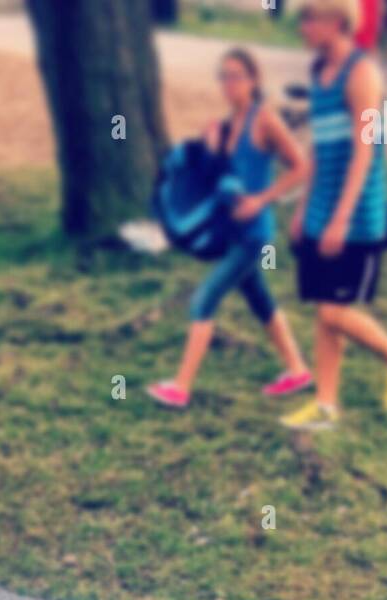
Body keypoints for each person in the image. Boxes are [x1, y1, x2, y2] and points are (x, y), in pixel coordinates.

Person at [281, 0, 387, 432]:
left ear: (337, 20)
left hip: (358, 213)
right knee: (326, 309)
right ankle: (326, 405)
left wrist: (342, 218)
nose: (302, 25)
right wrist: (304, 207)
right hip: (321, 205)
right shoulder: (317, 72)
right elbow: (322, 147)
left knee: (333, 312)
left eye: (310, 16)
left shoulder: (362, 73)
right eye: (301, 16)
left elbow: (366, 151)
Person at [147, 49, 312, 410]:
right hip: (230, 232)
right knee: (260, 300)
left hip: (254, 235)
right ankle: (298, 369)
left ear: (254, 80)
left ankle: (180, 387)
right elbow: (215, 177)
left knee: (203, 300)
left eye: (236, 76)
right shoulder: (224, 125)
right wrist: (209, 148)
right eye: (223, 76)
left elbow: (300, 167)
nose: (228, 84)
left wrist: (263, 199)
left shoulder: (265, 120)